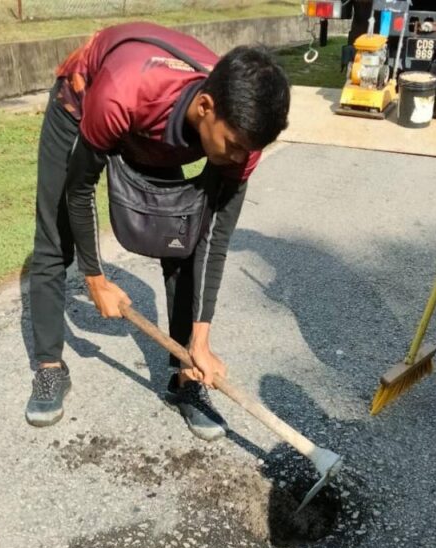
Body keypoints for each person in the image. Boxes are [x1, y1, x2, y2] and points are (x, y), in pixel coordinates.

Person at [25, 22, 290, 440]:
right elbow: (79, 190)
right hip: (85, 102)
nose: (241, 157)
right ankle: (49, 368)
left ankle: (186, 377)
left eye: (250, 149)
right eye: (235, 144)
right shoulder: (122, 93)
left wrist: (200, 339)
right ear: (206, 107)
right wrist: (94, 279)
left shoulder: (240, 140)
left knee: (183, 244)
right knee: (54, 236)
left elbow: (213, 239)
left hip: (155, 124)